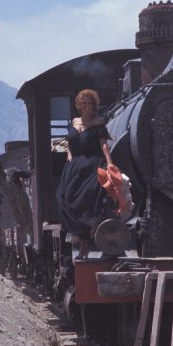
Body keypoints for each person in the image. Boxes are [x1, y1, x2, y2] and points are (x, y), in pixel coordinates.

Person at [56, 89, 113, 259]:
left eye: (91, 103)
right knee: (62, 198)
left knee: (87, 198)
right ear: (80, 105)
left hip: (92, 163)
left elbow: (104, 145)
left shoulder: (98, 124)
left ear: (94, 106)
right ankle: (82, 239)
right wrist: (69, 160)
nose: (88, 106)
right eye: (85, 103)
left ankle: (88, 238)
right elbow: (69, 145)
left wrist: (109, 163)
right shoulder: (74, 122)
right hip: (73, 166)